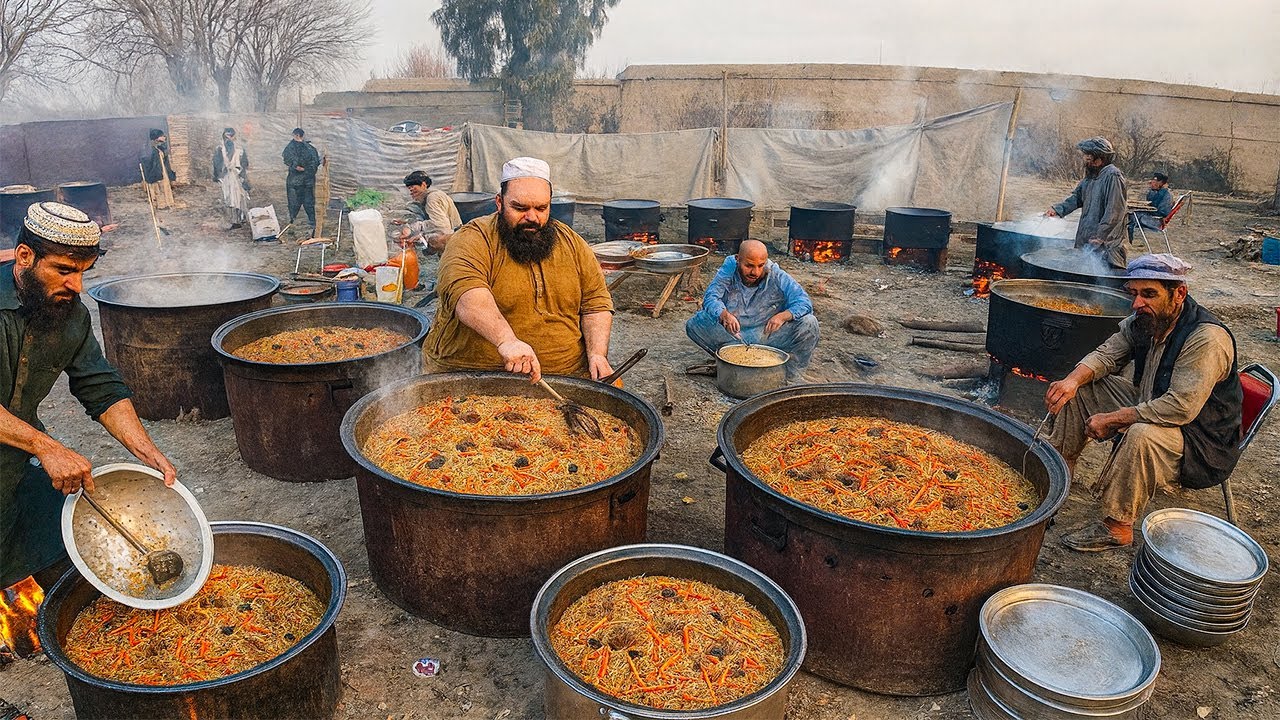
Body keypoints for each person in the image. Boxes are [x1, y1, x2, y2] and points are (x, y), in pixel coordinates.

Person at [0, 202, 177, 590]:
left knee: (59, 542)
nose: (77, 286)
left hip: (15, 459)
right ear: (25, 256)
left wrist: (147, 451)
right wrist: (46, 446)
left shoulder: (69, 312)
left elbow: (100, 386)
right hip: (21, 448)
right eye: (64, 270)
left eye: (83, 272)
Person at [1044, 253, 1241, 552]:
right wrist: (1071, 381)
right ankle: (1057, 475)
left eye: (1149, 294)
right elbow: (1107, 355)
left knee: (1141, 435)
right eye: (1133, 293)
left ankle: (1117, 527)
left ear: (1179, 294)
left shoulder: (1206, 338)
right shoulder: (1146, 320)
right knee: (1081, 391)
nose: (1137, 303)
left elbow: (1180, 407)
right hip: (1152, 402)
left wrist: (1115, 419)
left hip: (1200, 438)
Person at [425, 157, 614, 382]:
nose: (532, 217)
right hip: (471, 375)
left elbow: (595, 303)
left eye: (541, 208)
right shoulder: (473, 238)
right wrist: (506, 340)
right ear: (499, 202)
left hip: (567, 376)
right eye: (520, 208)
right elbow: (467, 295)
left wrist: (597, 354)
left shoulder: (573, 243)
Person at [685, 240, 820, 382]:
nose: (755, 272)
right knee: (695, 324)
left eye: (760, 265)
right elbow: (711, 297)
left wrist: (782, 316)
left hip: (767, 334)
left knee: (809, 323)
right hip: (735, 335)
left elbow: (803, 302)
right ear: (738, 259)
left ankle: (791, 375)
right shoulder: (729, 267)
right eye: (749, 266)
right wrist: (724, 315)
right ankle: (729, 362)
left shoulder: (776, 274)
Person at [1046, 136, 1128, 268]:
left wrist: (1101, 236)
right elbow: (1077, 198)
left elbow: (1114, 211)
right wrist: (1058, 210)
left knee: (1101, 276)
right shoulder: (1091, 177)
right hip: (1087, 240)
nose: (1085, 159)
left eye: (1088, 156)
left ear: (1100, 158)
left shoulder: (1113, 176)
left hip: (1105, 245)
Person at [400, 170, 462, 254]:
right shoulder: (426, 198)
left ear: (423, 185)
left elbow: (440, 224)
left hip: (452, 241)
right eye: (409, 187)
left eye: (413, 186)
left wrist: (414, 229)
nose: (410, 189)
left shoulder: (433, 198)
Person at [281, 127, 321, 236]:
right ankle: (306, 224)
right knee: (304, 203)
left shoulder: (293, 148)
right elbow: (315, 162)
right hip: (303, 180)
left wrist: (299, 168)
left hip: (299, 181)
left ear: (297, 135)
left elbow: (288, 160)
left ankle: (298, 224)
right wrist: (304, 169)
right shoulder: (309, 148)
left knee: (299, 203)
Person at [212, 127, 250, 229]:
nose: (228, 139)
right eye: (226, 137)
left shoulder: (239, 150)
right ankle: (233, 220)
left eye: (230, 136)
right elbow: (216, 163)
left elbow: (245, 163)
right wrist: (218, 176)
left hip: (237, 176)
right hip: (226, 177)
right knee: (229, 198)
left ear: (233, 137)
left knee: (239, 197)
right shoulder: (220, 149)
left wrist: (241, 174)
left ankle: (240, 218)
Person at [1128, 172, 1175, 241]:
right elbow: (1150, 202)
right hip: (1152, 217)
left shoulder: (1166, 195)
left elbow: (1163, 212)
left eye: (1155, 182)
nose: (1152, 184)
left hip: (1157, 221)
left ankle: (1128, 240)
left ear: (1161, 183)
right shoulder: (1156, 192)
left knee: (1132, 216)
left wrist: (1149, 209)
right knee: (1131, 215)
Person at [140, 128, 176, 210]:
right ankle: (160, 204)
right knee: (158, 188)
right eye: (162, 136)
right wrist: (156, 173)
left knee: (164, 187)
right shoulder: (151, 150)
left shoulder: (159, 147)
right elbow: (149, 162)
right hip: (157, 171)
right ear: (156, 138)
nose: (164, 137)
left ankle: (167, 203)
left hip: (162, 170)